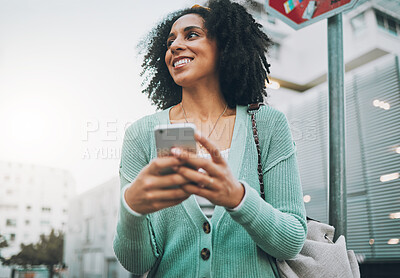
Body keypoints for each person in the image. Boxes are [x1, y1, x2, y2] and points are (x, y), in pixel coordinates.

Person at [113, 0, 307, 277]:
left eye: (191, 35)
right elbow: (137, 263)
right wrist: (131, 207)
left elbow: (291, 241)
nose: (175, 46)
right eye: (170, 41)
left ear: (225, 46)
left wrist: (238, 198)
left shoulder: (266, 124)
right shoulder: (141, 134)